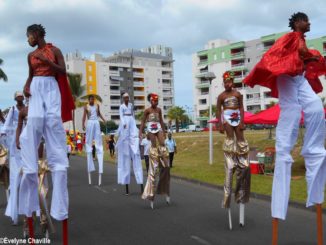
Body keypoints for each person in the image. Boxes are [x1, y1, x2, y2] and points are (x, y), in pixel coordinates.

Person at [243, 12, 326, 245]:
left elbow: (303, 57)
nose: (309, 23)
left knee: (316, 109)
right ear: (297, 22)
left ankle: (313, 149)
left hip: (298, 78)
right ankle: (284, 150)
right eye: (306, 20)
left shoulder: (301, 39)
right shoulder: (292, 37)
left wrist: (310, 58)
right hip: (285, 77)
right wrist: (311, 56)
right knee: (290, 111)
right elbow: (296, 54)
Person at [20, 24, 75, 244]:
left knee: (52, 122)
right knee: (33, 122)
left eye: (29, 35)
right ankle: (30, 161)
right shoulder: (30, 55)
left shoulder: (55, 50)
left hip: (51, 87)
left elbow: (63, 71)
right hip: (37, 88)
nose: (27, 39)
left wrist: (48, 63)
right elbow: (30, 75)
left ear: (37, 34)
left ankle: (58, 159)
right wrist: (26, 85)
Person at [216, 71, 251, 230]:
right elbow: (218, 110)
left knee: (240, 136)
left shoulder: (238, 94)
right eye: (225, 82)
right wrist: (219, 123)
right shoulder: (221, 96)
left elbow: (242, 107)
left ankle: (242, 154)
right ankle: (231, 153)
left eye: (229, 81)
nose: (227, 84)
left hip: (237, 115)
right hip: (228, 117)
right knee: (230, 137)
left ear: (232, 82)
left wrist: (243, 120)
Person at [140, 93, 170, 209]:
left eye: (156, 101)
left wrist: (164, 130)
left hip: (157, 127)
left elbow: (161, 121)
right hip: (150, 128)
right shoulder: (147, 110)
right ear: (150, 101)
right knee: (153, 144)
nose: (155, 102)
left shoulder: (159, 110)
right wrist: (141, 132)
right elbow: (143, 122)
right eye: (153, 100)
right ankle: (154, 154)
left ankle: (163, 154)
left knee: (162, 143)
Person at [1, 92, 25, 225]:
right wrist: (3, 134)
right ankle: (14, 215)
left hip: (26, 143)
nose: (21, 97)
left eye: (22, 96)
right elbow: (5, 125)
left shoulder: (27, 109)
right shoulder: (12, 109)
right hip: (15, 148)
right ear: (15, 98)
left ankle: (33, 212)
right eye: (18, 96)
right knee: (15, 179)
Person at [116, 93, 143, 195]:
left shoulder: (131, 105)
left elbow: (133, 115)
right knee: (125, 156)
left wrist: (135, 128)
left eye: (128, 97)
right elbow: (121, 116)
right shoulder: (121, 106)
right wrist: (123, 124)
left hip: (131, 122)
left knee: (136, 154)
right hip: (125, 123)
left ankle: (141, 185)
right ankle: (126, 186)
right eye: (125, 97)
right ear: (123, 98)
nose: (127, 99)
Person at [82, 94, 106, 186]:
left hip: (96, 123)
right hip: (90, 123)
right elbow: (84, 116)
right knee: (88, 144)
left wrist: (103, 119)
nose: (92, 100)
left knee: (98, 144)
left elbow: (99, 114)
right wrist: (83, 124)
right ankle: (90, 163)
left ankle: (100, 166)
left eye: (93, 99)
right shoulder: (86, 106)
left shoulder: (97, 105)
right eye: (90, 99)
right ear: (89, 100)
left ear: (94, 100)